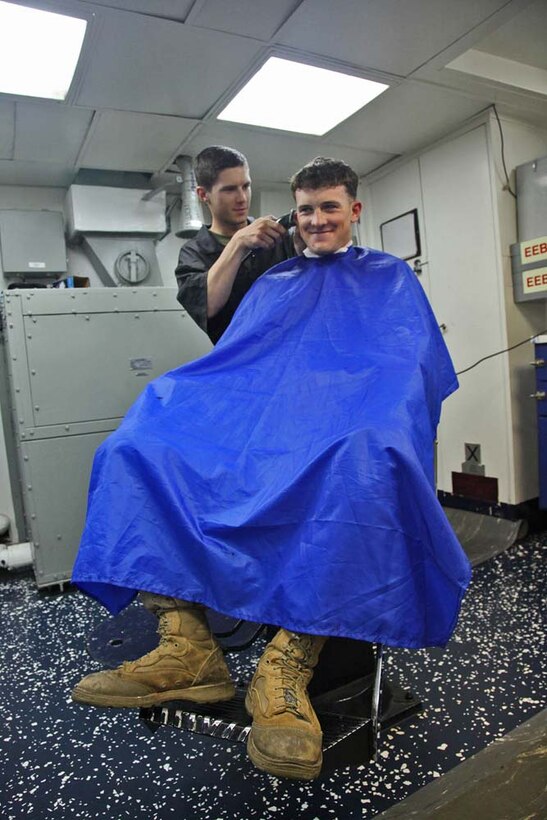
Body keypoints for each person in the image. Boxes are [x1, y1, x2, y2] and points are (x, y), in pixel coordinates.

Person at [71, 158, 471, 781]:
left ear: (354, 211)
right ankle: (187, 646)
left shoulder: (389, 279)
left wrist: (373, 421)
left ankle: (286, 666)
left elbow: (406, 370)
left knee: (361, 459)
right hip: (268, 424)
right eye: (306, 209)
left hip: (342, 427)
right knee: (135, 448)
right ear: (294, 213)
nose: (317, 220)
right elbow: (238, 363)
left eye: (330, 207)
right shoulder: (275, 282)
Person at [175, 145, 298, 343]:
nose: (242, 198)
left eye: (246, 186)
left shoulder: (276, 236)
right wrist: (239, 242)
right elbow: (208, 305)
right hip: (238, 363)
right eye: (229, 190)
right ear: (203, 194)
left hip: (287, 353)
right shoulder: (193, 253)